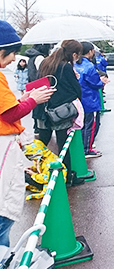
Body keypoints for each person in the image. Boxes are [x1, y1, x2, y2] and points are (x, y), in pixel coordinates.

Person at [0, 20, 54, 246]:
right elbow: (9, 115)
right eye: (11, 54)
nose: (14, 59)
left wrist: (23, 100)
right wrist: (33, 100)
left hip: (8, 143)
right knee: (5, 204)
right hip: (3, 145)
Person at [35, 40, 84, 185]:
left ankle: (39, 174)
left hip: (41, 110)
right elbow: (76, 91)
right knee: (63, 146)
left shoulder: (45, 63)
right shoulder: (65, 67)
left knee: (42, 145)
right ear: (74, 54)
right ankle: (67, 177)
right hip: (59, 113)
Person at [75, 42, 108, 158]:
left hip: (79, 99)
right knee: (92, 125)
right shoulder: (89, 66)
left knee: (81, 125)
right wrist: (102, 81)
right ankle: (87, 149)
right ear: (90, 51)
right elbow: (95, 83)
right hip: (90, 99)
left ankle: (82, 146)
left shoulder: (74, 64)